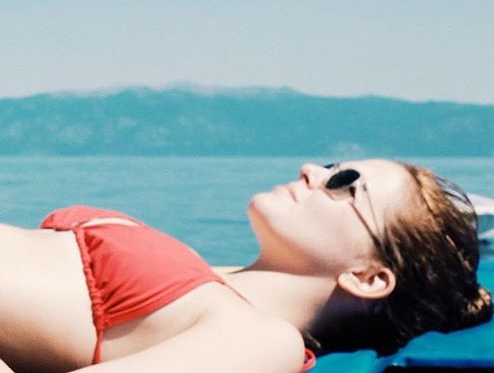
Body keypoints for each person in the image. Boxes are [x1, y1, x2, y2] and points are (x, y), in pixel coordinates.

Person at [0, 160, 491, 373]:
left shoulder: (266, 341)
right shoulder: (208, 276)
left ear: (368, 278)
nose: (311, 171)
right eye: (329, 164)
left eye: (344, 181)